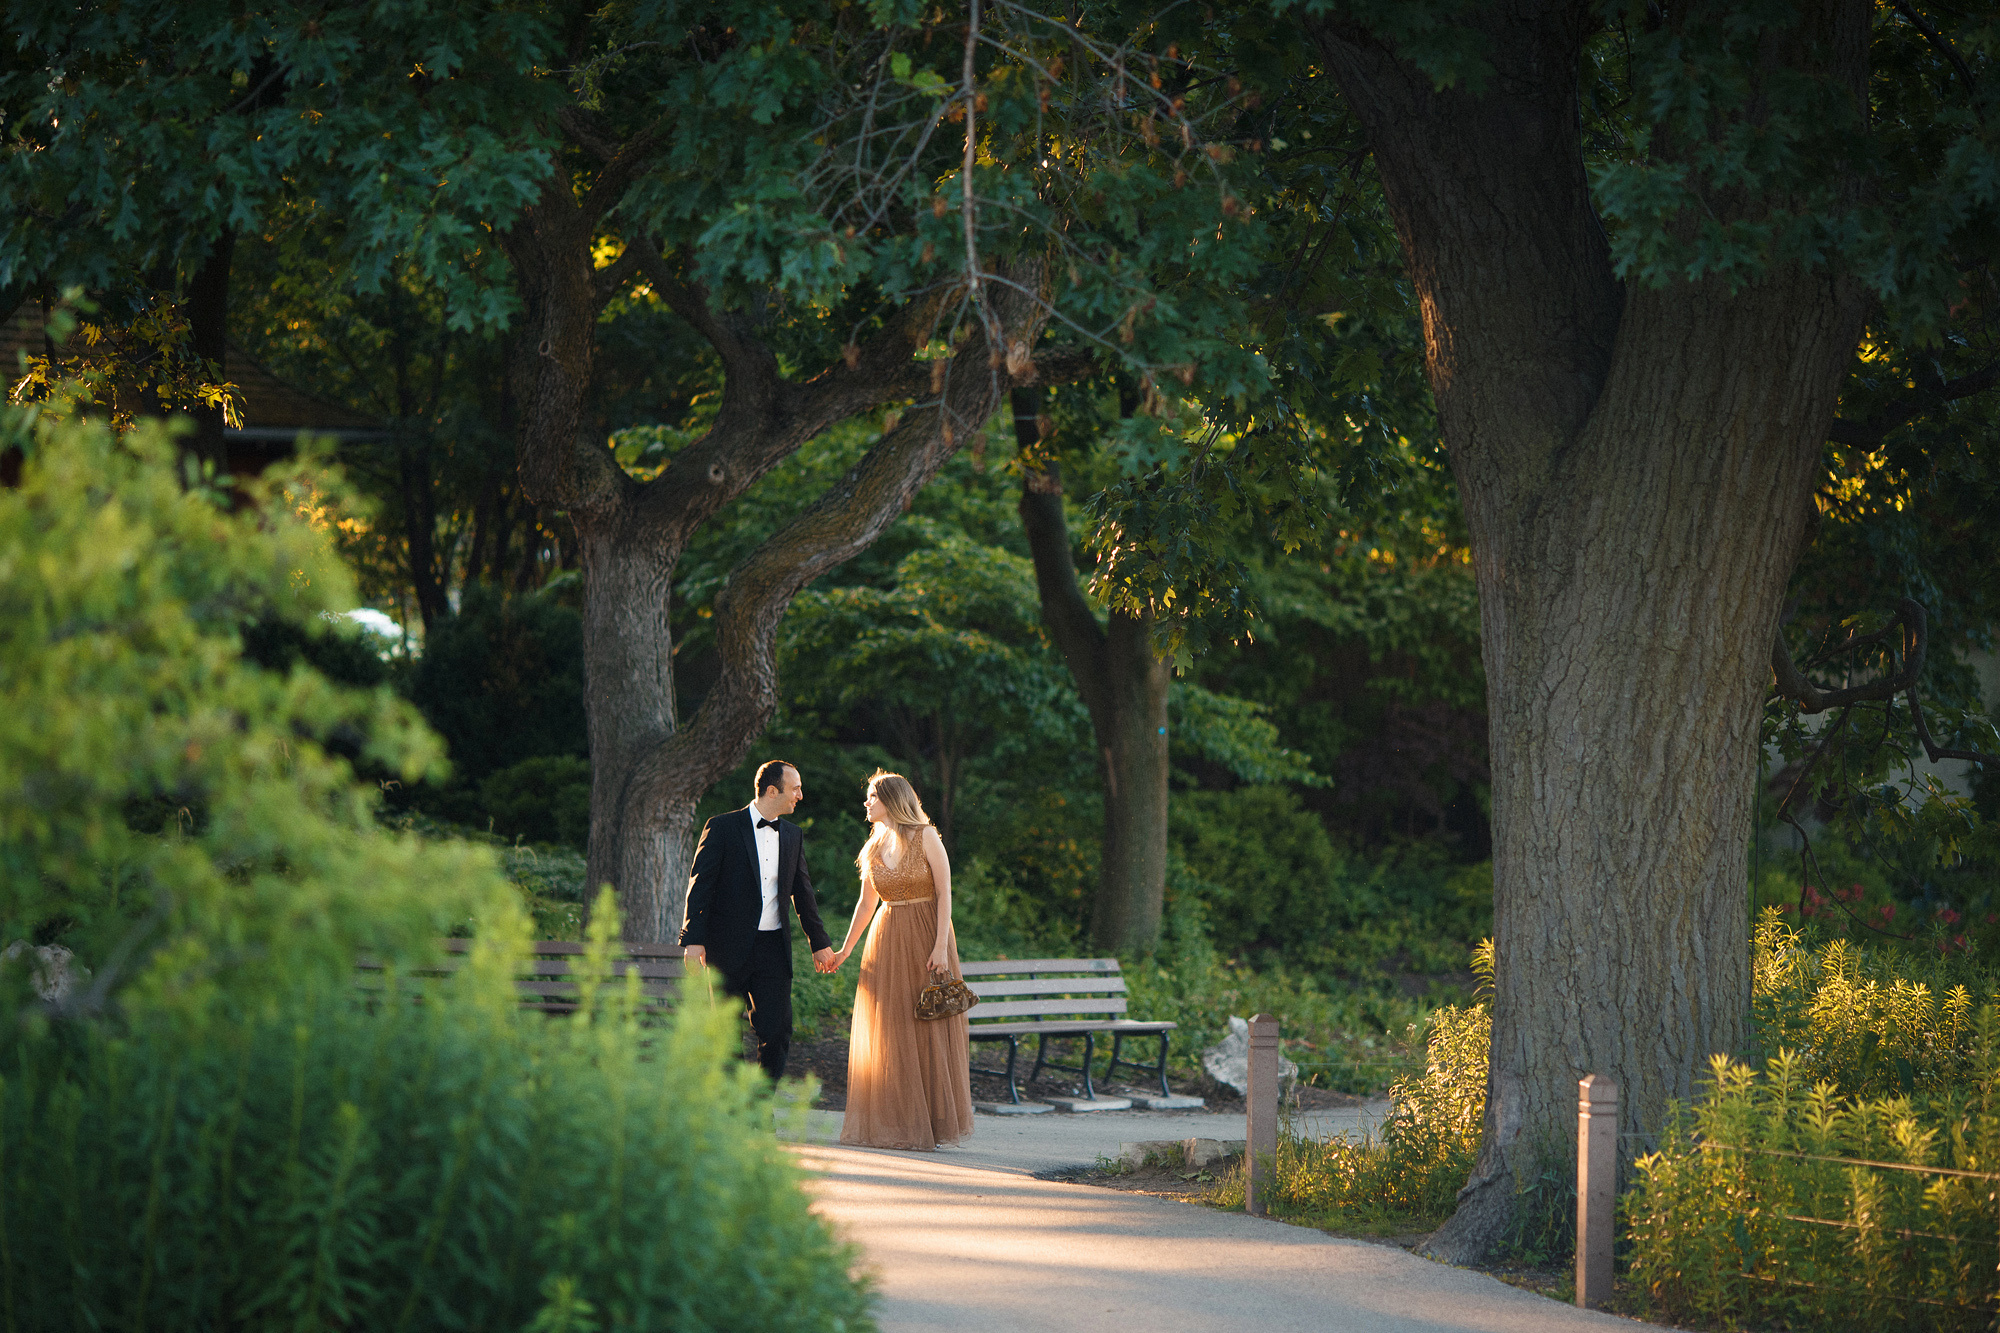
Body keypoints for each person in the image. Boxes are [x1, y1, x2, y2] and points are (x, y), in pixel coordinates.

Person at [828, 770, 974, 1149]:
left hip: (927, 935)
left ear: (892, 800)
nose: (866, 802)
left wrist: (940, 945)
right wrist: (846, 949)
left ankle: (933, 1124)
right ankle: (896, 1123)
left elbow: (945, 894)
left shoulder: (927, 837)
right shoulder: (873, 846)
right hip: (887, 939)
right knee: (891, 1029)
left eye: (872, 796)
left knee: (927, 1025)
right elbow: (866, 903)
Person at [679, 760, 839, 1081]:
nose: (800, 795)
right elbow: (701, 886)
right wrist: (693, 940)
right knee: (724, 1035)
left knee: (778, 1032)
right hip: (725, 947)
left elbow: (803, 892)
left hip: (772, 950)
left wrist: (819, 943)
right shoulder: (722, 827)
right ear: (771, 790)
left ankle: (760, 1104)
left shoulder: (793, 835)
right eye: (795, 789)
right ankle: (737, 1107)